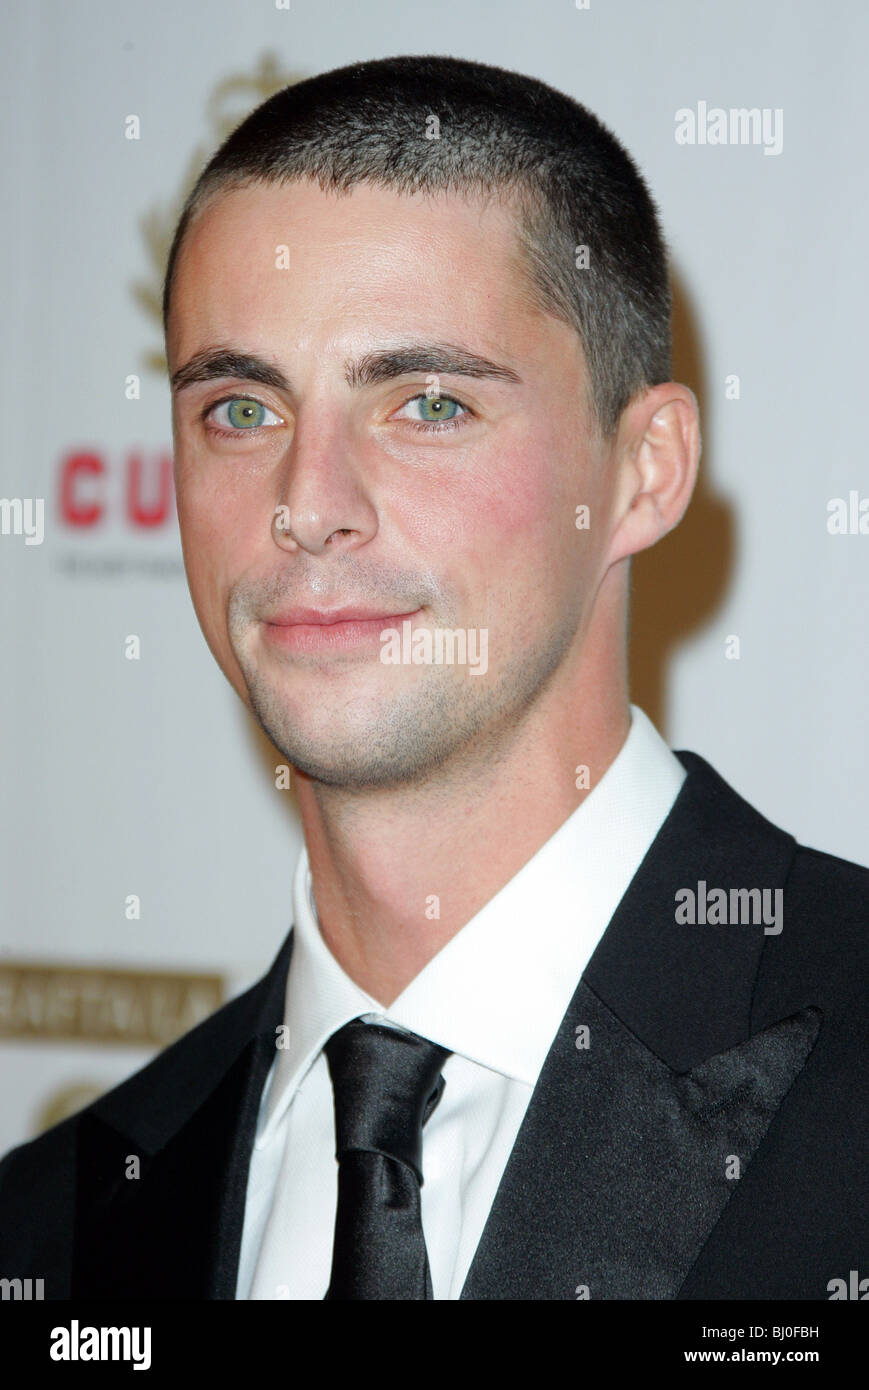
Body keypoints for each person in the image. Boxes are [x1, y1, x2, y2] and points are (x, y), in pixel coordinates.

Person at [1, 54, 867, 1302]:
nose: (307, 507)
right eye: (242, 410)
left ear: (644, 471)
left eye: (427, 403)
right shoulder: (58, 1225)